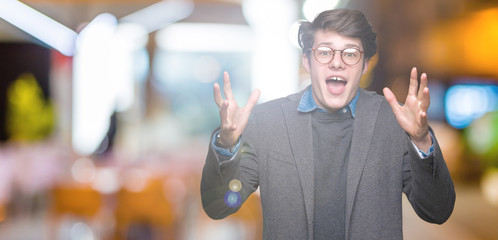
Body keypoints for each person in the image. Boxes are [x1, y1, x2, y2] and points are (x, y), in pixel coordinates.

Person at [201, 8, 455, 240]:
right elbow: (218, 206)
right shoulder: (267, 122)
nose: (337, 62)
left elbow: (437, 211)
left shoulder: (392, 123)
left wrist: (421, 140)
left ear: (365, 64)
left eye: (351, 53)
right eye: (324, 52)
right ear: (307, 61)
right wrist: (226, 143)